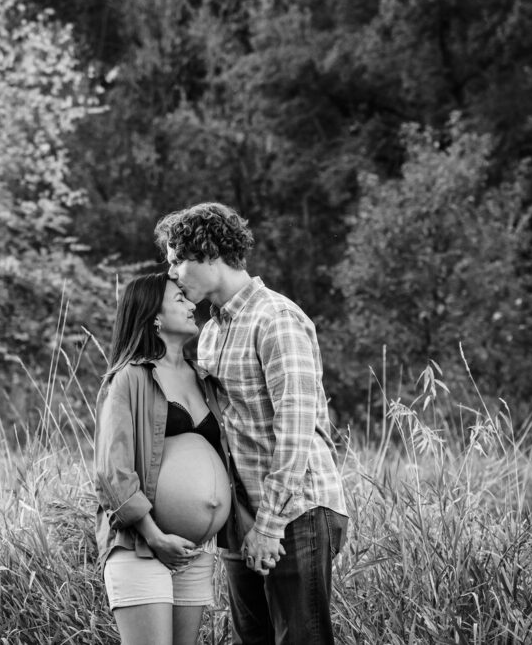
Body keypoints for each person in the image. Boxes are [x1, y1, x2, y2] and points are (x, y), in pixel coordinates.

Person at [155, 202, 350, 645]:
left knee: (299, 640)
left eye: (176, 261)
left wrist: (270, 524)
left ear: (207, 254)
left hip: (295, 509)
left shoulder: (275, 318)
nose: (173, 275)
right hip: (242, 517)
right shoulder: (211, 332)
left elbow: (296, 428)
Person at [94, 272, 231, 645]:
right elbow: (112, 470)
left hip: (192, 552)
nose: (192, 305)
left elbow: (224, 462)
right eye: (180, 300)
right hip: (141, 547)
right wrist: (155, 537)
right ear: (155, 317)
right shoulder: (129, 379)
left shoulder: (205, 379)